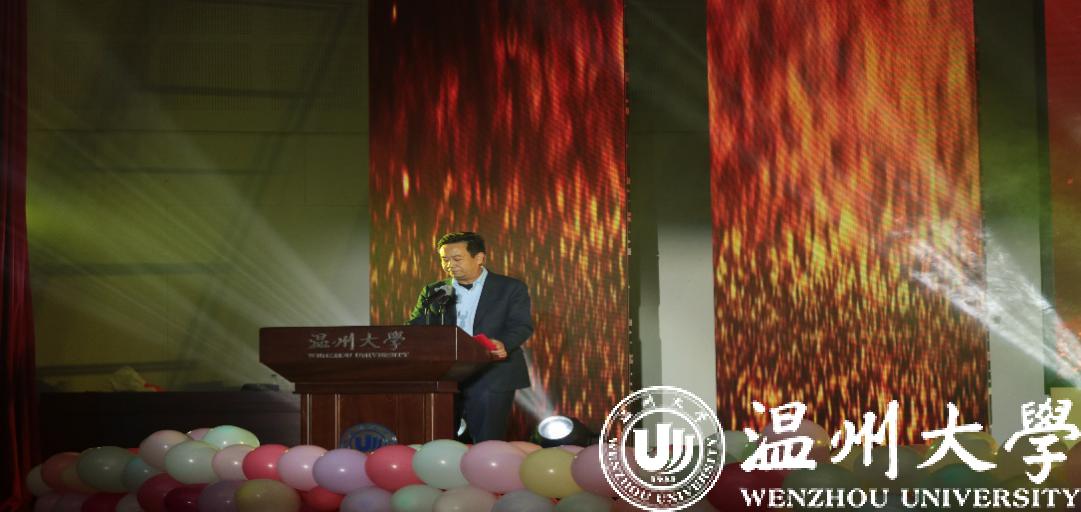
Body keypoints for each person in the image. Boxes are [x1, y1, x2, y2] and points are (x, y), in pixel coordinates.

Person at [408, 231, 533, 442]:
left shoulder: (510, 288)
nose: (449, 265)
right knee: (439, 437)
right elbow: (416, 326)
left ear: (479, 258)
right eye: (444, 259)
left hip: (492, 370)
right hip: (446, 374)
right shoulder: (435, 290)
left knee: (487, 440)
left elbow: (521, 325)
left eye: (457, 259)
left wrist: (504, 343)